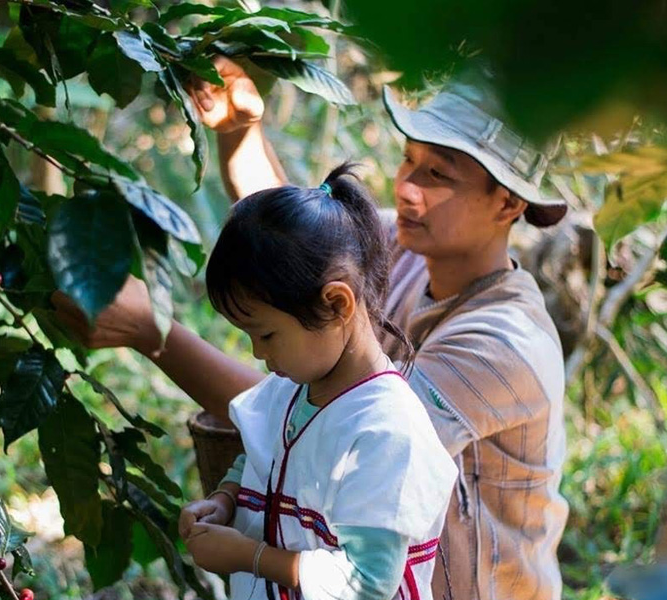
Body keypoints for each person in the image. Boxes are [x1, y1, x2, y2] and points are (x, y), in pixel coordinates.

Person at [53, 58, 569, 600]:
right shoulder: (403, 249)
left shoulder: (502, 344)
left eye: (438, 175)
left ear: (508, 202)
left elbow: (331, 419)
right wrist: (240, 133)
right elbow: (298, 254)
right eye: (408, 160)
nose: (408, 187)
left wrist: (154, 334)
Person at [177, 163, 457, 600]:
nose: (257, 353)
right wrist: (226, 500)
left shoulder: (386, 430)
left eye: (267, 335)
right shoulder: (289, 389)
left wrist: (250, 556)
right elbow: (260, 457)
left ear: (336, 304)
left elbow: (368, 582)